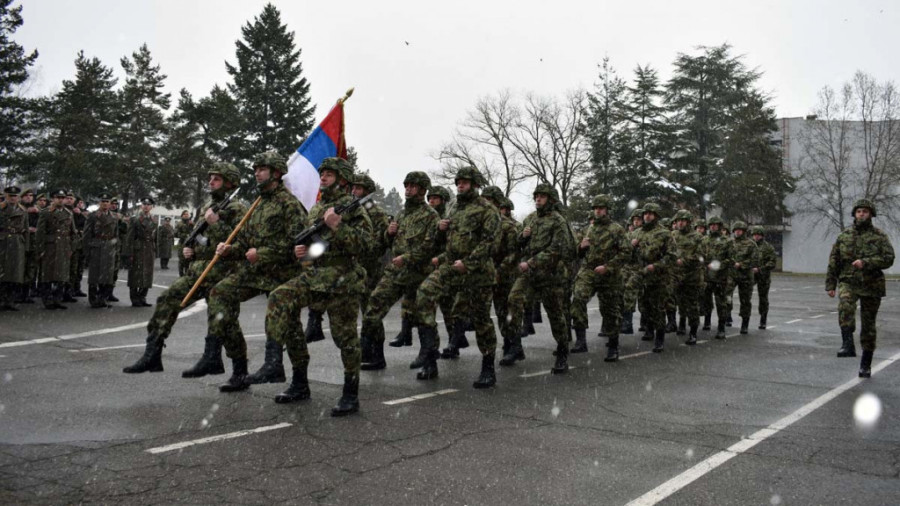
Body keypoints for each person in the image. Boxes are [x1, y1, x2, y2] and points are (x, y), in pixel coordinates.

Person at [265, 157, 372, 415]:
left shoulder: (354, 209)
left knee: (345, 338)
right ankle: (290, 374)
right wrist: (303, 252)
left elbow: (366, 246)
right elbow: (317, 246)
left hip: (343, 280)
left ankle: (350, 394)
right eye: (322, 173)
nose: (323, 177)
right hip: (314, 276)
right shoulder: (317, 208)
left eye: (329, 174)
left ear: (342, 180)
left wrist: (338, 226)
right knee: (280, 298)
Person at [123, 163, 250, 376]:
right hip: (199, 270)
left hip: (224, 273)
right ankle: (152, 354)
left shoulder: (238, 209)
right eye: (210, 178)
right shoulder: (208, 205)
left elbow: (242, 241)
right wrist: (190, 248)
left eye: (217, 179)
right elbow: (199, 235)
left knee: (225, 321)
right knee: (168, 299)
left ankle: (238, 370)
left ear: (229, 183)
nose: (211, 182)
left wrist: (216, 224)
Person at [207, 151, 307, 391]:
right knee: (220, 294)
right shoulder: (258, 203)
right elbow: (246, 241)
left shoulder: (290, 204)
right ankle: (239, 370)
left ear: (276, 173)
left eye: (262, 169)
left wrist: (263, 253)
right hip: (256, 271)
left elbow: (298, 243)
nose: (256, 174)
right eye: (255, 170)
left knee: (290, 327)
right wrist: (230, 249)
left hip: (283, 272)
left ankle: (299, 382)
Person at [415, 166, 500, 387]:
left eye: (465, 182)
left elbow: (490, 243)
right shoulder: (453, 207)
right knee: (424, 293)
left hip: (478, 272)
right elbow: (449, 243)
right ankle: (429, 353)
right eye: (458, 182)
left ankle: (488, 368)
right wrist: (440, 229)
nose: (460, 185)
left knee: (481, 320)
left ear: (475, 184)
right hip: (452, 266)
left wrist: (468, 263)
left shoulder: (487, 210)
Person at [360, 171, 439, 371]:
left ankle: (429, 362)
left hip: (419, 272)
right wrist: (388, 233)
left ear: (422, 190)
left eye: (413, 186)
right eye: (407, 186)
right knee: (374, 305)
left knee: (423, 315)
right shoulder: (402, 214)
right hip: (396, 271)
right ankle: (374, 355)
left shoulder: (431, 215)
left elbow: (429, 246)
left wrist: (407, 258)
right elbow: (387, 243)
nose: (408, 189)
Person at [503, 183, 573, 371]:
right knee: (513, 300)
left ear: (550, 199)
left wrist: (532, 262)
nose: (538, 199)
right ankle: (515, 345)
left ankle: (562, 352)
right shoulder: (530, 219)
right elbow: (518, 244)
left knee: (555, 314)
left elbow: (557, 249)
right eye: (536, 196)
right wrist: (523, 236)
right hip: (529, 273)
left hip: (551, 274)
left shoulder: (558, 221)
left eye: (542, 196)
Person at [826, 199, 895, 378]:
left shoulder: (879, 236)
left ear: (871, 214)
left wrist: (866, 262)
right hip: (849, 281)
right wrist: (830, 284)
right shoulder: (844, 235)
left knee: (868, 325)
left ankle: (866, 363)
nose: (861, 214)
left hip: (872, 285)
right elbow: (834, 260)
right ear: (854, 214)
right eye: (859, 211)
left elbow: (889, 258)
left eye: (865, 211)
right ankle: (847, 344)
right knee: (845, 305)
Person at [571, 195, 628, 359]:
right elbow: (576, 252)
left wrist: (608, 267)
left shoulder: (616, 229)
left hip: (609, 273)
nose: (597, 211)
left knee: (610, 309)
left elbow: (626, 252)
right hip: (589, 270)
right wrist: (581, 247)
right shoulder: (587, 229)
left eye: (601, 208)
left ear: (607, 210)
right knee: (578, 299)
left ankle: (613, 345)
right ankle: (581, 341)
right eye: (595, 208)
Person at [480, 187, 519, 359]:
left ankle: (513, 346)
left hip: (505, 275)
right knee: (490, 312)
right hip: (487, 274)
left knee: (505, 312)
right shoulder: (482, 224)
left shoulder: (508, 226)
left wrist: (500, 270)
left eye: (488, 199)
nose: (485, 202)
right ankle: (509, 345)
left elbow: (513, 254)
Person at [632, 203, 676, 352]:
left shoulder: (664, 233)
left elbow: (671, 256)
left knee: (658, 307)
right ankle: (649, 330)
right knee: (645, 306)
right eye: (645, 213)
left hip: (659, 277)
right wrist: (632, 246)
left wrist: (656, 266)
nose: (647, 216)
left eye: (650, 213)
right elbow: (627, 254)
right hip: (642, 275)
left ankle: (660, 338)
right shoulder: (637, 233)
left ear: (656, 216)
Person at [36, 190, 76, 309]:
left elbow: (72, 232)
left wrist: (71, 248)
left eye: (62, 198)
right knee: (48, 275)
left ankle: (57, 299)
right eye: (58, 197)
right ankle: (47, 300)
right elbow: (40, 232)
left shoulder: (68, 213)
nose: (60, 200)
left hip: (64, 246)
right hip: (50, 246)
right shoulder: (46, 212)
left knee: (61, 275)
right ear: (53, 199)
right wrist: (41, 249)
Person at [671, 210, 705, 345]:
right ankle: (681, 324)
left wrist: (684, 260)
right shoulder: (673, 235)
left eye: (683, 220)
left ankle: (693, 332)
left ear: (689, 222)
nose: (680, 223)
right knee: (680, 302)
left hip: (692, 276)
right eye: (678, 220)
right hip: (677, 275)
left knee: (692, 304)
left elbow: (701, 255)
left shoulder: (697, 237)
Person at [83, 193, 120, 308]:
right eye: (103, 201)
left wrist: (116, 247)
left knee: (107, 275)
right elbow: (87, 234)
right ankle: (93, 299)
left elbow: (116, 234)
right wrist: (86, 250)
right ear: (99, 203)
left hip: (109, 247)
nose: (105, 204)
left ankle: (102, 298)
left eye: (107, 202)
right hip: (96, 246)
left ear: (110, 204)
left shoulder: (114, 216)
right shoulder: (93, 216)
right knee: (94, 275)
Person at [703, 216, 733, 339]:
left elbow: (731, 259)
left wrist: (718, 265)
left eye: (715, 225)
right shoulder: (704, 240)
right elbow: (700, 255)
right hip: (706, 277)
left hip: (721, 278)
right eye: (711, 225)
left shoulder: (727, 241)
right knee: (706, 301)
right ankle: (707, 322)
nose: (713, 226)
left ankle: (721, 328)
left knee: (721, 304)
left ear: (720, 226)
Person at [0, 186, 29, 311]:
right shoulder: (1, 208)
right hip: (3, 242)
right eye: (10, 196)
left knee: (14, 274)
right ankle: (2, 299)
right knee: (2, 273)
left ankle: (10, 300)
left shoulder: (22, 210)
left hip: (17, 243)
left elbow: (26, 230)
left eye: (15, 196)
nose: (13, 198)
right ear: (5, 196)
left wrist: (26, 247)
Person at [125, 197, 158, 307]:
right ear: (141, 206)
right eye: (144, 204)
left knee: (147, 274)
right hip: (138, 248)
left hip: (149, 249)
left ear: (151, 207)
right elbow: (129, 237)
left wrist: (156, 250)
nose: (146, 206)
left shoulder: (154, 220)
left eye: (148, 205)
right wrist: (128, 253)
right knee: (135, 274)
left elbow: (155, 237)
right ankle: (134, 298)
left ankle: (142, 297)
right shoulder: (135, 219)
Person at [730, 221, 758, 334]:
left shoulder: (751, 244)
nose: (737, 232)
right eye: (736, 230)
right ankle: (726, 318)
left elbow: (754, 260)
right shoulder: (730, 243)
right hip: (732, 275)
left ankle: (744, 324)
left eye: (740, 230)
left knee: (745, 301)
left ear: (744, 231)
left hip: (746, 276)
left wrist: (741, 264)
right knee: (726, 296)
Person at [621, 208, 643, 335]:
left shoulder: (646, 234)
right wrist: (631, 246)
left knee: (634, 293)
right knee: (623, 293)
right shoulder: (628, 235)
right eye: (634, 220)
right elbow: (623, 250)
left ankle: (642, 324)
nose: (636, 222)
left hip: (641, 268)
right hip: (627, 268)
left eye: (639, 219)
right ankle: (626, 323)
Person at [751, 226, 776, 329]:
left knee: (763, 298)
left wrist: (760, 269)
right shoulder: (750, 246)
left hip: (763, 276)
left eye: (758, 235)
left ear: (762, 235)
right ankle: (745, 318)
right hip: (751, 275)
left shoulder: (768, 247)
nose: (756, 236)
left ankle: (763, 319)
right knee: (745, 296)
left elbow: (772, 262)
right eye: (754, 235)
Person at [18, 189, 39, 303]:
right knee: (19, 269)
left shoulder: (36, 211)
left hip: (33, 243)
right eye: (26, 195)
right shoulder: (18, 209)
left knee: (30, 269)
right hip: (20, 243)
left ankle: (26, 294)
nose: (29, 197)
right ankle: (16, 293)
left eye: (31, 195)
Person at [175, 210, 194, 276]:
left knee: (188, 260)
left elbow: (194, 232)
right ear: (182, 215)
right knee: (181, 260)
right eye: (185, 214)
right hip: (182, 244)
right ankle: (181, 274)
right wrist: (186, 235)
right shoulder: (179, 224)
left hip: (189, 244)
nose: (186, 215)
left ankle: (186, 274)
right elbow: (176, 234)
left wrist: (192, 225)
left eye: (187, 214)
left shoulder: (191, 223)